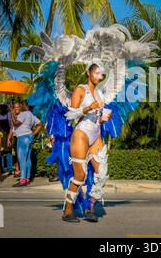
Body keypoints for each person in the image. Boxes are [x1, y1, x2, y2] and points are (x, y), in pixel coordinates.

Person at [62, 63, 112, 223]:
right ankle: (67, 211)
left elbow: (97, 117)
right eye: (96, 73)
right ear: (89, 73)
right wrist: (88, 107)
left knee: (102, 172)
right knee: (80, 175)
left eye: (101, 74)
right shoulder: (80, 89)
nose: (99, 76)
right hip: (82, 133)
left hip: (96, 132)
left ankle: (90, 207)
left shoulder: (99, 93)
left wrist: (104, 118)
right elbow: (70, 115)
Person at [8, 102, 43, 187]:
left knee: (22, 159)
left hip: (22, 138)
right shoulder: (31, 115)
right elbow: (40, 124)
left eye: (17, 107)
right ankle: (27, 179)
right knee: (27, 159)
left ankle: (23, 179)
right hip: (29, 137)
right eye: (14, 108)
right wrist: (33, 134)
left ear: (22, 107)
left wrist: (12, 114)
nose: (15, 109)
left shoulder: (23, 114)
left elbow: (16, 123)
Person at [0, 104, 13, 174]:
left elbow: (11, 125)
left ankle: (10, 168)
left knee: (9, 152)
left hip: (7, 135)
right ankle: (2, 168)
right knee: (1, 152)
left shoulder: (9, 115)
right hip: (0, 136)